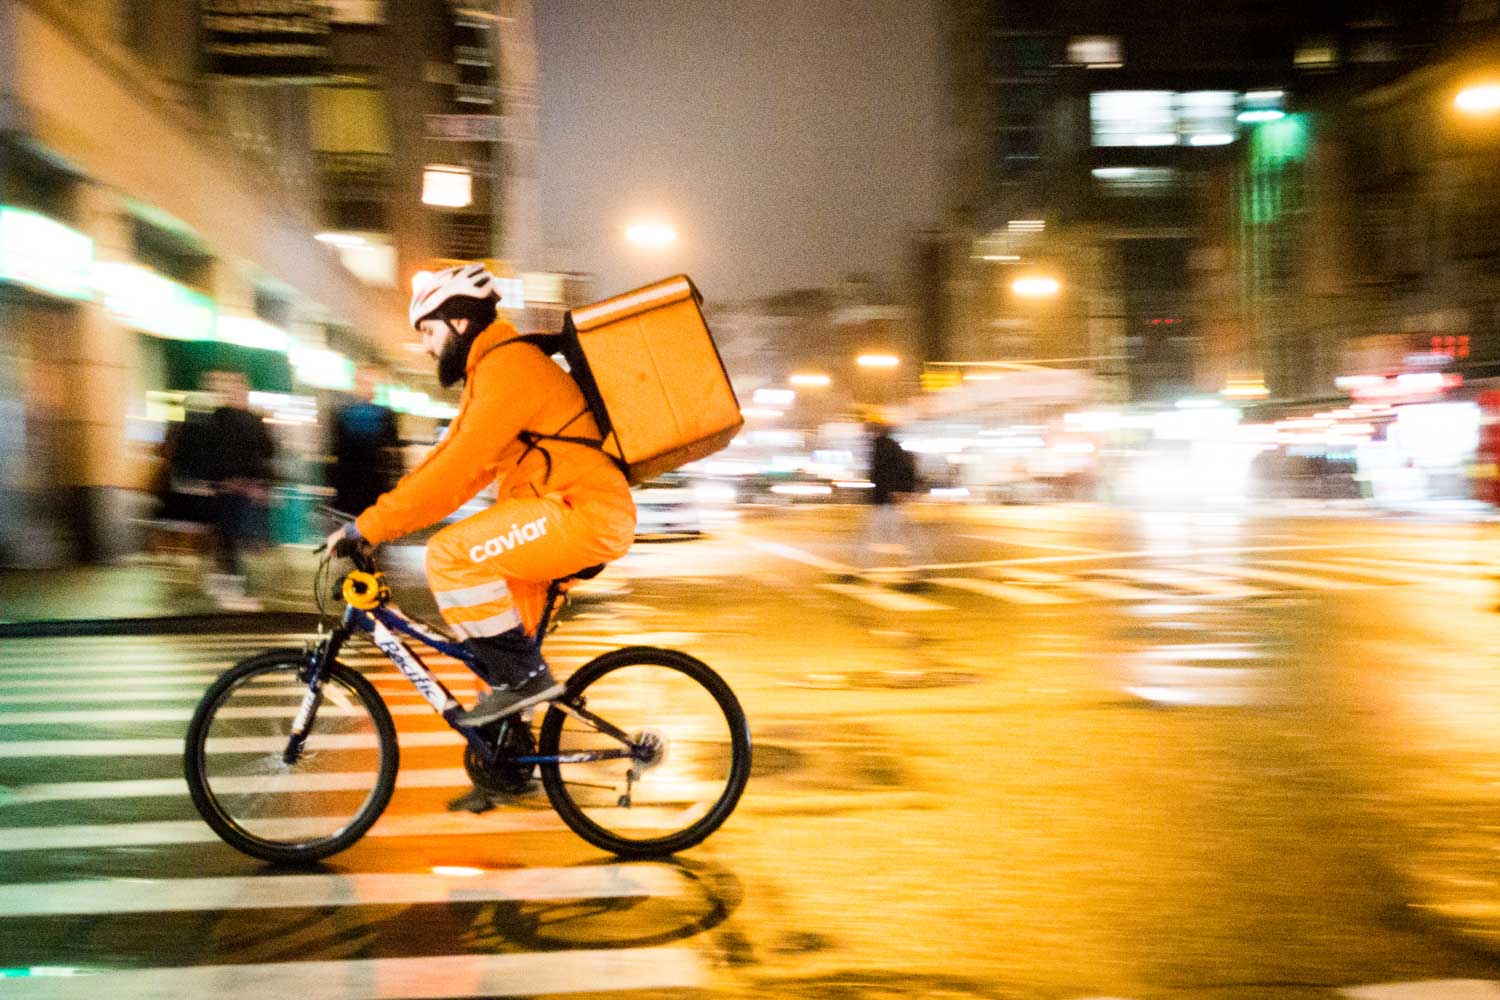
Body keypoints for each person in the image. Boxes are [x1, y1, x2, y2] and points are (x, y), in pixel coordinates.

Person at [324, 262, 636, 728]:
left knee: (452, 555)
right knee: (496, 661)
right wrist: (375, 522)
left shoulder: (509, 369)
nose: (426, 347)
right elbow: (457, 467)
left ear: (460, 322)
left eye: (428, 332)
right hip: (553, 515)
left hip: (581, 512)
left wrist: (369, 527)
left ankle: (528, 679)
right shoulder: (492, 372)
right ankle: (506, 768)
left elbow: (455, 469)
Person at [200, 370, 276, 610]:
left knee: (229, 538)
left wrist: (216, 481)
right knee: (234, 538)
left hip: (230, 487)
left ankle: (228, 585)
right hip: (240, 488)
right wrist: (258, 483)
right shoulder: (248, 420)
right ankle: (233, 588)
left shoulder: (218, 419)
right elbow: (266, 452)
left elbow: (211, 453)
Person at [850, 416, 933, 587]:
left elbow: (885, 473)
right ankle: (919, 568)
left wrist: (896, 491)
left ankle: (919, 569)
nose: (864, 431)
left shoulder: (883, 446)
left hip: (887, 500)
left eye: (867, 428)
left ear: (875, 429)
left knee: (900, 535)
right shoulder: (887, 445)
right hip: (887, 499)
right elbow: (896, 470)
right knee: (895, 535)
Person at [328, 365, 402, 517]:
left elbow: (335, 451)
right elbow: (394, 455)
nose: (369, 388)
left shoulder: (342, 414)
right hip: (369, 490)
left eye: (371, 383)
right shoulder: (385, 415)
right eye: (366, 383)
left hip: (351, 489)